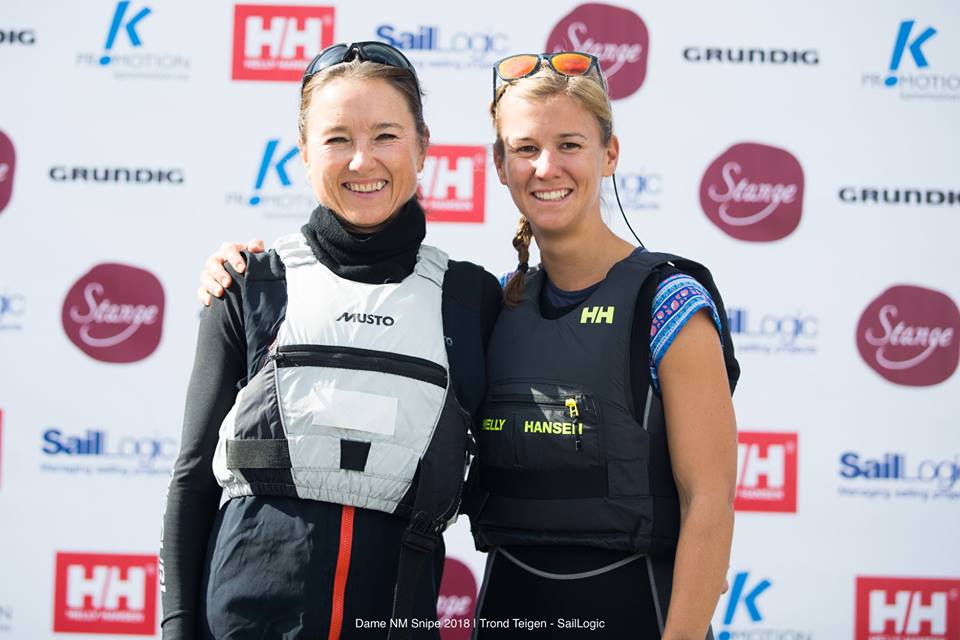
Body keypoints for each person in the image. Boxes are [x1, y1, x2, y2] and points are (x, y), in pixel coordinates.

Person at [201, 51, 739, 639]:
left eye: (569, 145)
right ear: (499, 165)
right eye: (525, 148)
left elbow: (710, 500)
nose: (546, 167)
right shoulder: (495, 307)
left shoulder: (668, 302)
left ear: (609, 154)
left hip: (641, 611)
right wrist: (236, 272)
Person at [161, 41, 501, 640]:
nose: (361, 160)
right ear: (303, 152)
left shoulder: (473, 301)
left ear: (423, 145)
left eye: (386, 136)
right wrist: (176, 629)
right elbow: (192, 482)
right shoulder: (247, 285)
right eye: (337, 138)